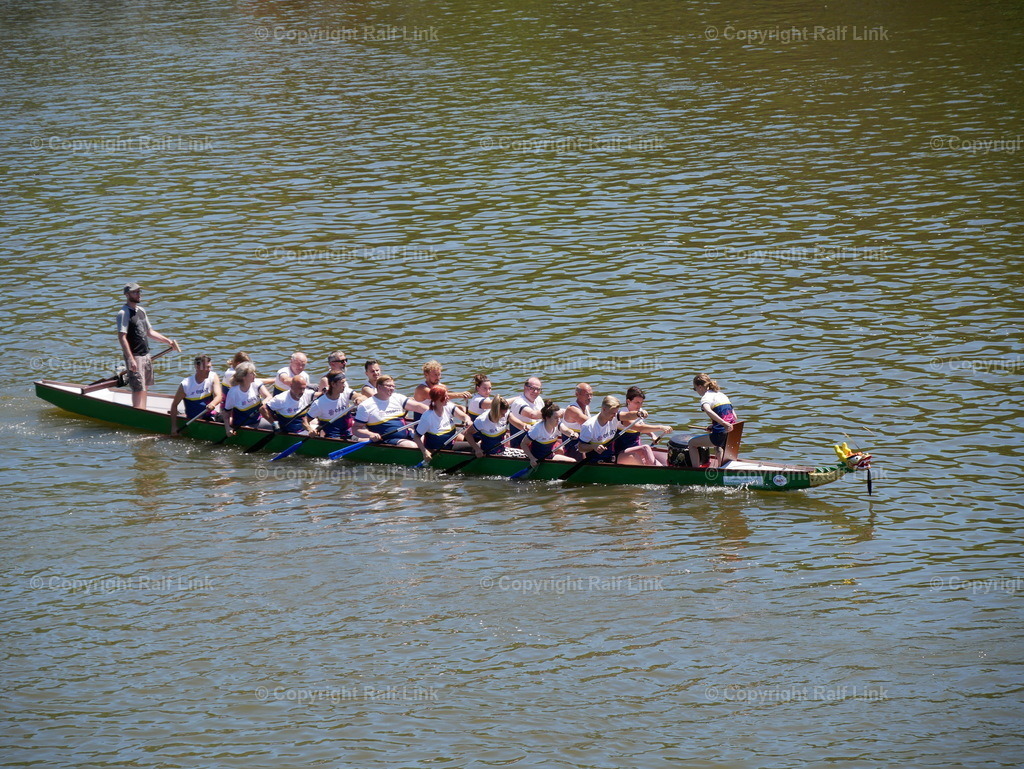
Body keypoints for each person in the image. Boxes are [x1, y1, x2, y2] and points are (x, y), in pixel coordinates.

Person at [116, 282, 180, 409]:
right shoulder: (123, 313)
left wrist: (168, 341)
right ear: (127, 295)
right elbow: (122, 337)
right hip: (135, 356)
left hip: (146, 354)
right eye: (135, 292)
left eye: (139, 292)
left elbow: (149, 332)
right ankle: (137, 411)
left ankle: (143, 410)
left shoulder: (141, 311)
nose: (138, 294)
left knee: (145, 386)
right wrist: (130, 359)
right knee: (137, 387)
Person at [352, 375, 428, 448]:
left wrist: (433, 413)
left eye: (393, 386)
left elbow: (418, 407)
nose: (392, 388)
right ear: (379, 387)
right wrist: (370, 434)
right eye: (388, 386)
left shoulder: (397, 398)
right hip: (386, 439)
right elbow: (356, 429)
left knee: (425, 438)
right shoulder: (366, 405)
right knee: (411, 446)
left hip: (407, 433)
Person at [687, 374, 739, 468]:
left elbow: (708, 410)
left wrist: (723, 424)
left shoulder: (706, 398)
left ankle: (695, 471)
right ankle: (721, 468)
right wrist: (715, 425)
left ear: (700, 387)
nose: (696, 391)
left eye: (695, 389)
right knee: (718, 446)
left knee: (692, 443)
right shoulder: (721, 395)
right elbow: (734, 416)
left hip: (721, 433)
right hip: (733, 431)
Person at [614, 386, 672, 466]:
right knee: (646, 448)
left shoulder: (639, 412)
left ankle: (662, 471)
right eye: (637, 402)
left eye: (641, 403)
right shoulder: (623, 415)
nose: (640, 406)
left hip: (636, 450)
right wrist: (661, 427)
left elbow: (642, 425)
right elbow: (640, 428)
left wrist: (653, 435)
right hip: (621, 454)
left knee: (651, 455)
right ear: (628, 401)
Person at [169, 355, 224, 436]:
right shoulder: (186, 384)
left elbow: (218, 396)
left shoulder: (213, 376)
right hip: (195, 419)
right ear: (197, 367)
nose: (209, 370)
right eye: (206, 367)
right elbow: (174, 405)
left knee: (229, 418)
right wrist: (174, 427)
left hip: (210, 415)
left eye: (210, 367)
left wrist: (213, 404)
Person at [223, 362, 274, 437]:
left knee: (278, 427)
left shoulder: (256, 383)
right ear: (244, 377)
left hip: (258, 421)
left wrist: (264, 402)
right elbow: (226, 413)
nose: (255, 375)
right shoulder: (233, 392)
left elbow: (269, 396)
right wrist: (228, 428)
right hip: (243, 425)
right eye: (251, 373)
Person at [521, 400, 576, 467]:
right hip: (538, 460)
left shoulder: (558, 424)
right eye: (556, 418)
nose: (558, 420)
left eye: (559, 417)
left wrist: (572, 433)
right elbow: (523, 444)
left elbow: (566, 430)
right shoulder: (537, 429)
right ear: (547, 418)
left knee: (573, 462)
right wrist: (532, 459)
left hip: (550, 457)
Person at [416, 385, 470, 453]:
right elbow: (416, 437)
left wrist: (467, 420)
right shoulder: (428, 416)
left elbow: (464, 416)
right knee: (475, 447)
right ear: (437, 398)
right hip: (436, 450)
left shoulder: (448, 406)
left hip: (450, 444)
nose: (448, 398)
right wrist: (425, 452)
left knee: (473, 438)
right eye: (445, 396)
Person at [309, 372, 357, 439]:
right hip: (332, 437)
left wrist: (359, 398)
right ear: (333, 384)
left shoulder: (346, 392)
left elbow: (359, 396)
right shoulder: (319, 403)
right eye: (342, 383)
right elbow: (305, 421)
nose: (344, 385)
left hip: (349, 434)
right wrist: (310, 430)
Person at [577, 396, 623, 464]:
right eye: (613, 413)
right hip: (595, 461)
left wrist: (638, 414)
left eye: (616, 413)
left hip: (611, 458)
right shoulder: (589, 426)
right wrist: (593, 446)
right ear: (604, 409)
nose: (614, 416)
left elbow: (629, 415)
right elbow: (580, 447)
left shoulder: (614, 419)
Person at [507, 377, 544, 448]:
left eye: (538, 389)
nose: (535, 392)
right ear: (525, 387)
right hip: (522, 444)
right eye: (532, 388)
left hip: (537, 439)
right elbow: (532, 415)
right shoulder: (519, 403)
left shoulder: (539, 399)